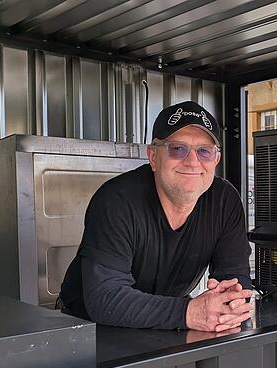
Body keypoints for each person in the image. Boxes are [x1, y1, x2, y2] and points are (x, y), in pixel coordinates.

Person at [58, 100, 253, 332]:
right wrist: (189, 312)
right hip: (87, 329)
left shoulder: (224, 200)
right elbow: (105, 297)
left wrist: (232, 302)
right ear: (153, 157)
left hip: (166, 324)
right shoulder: (117, 200)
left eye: (204, 151)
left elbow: (235, 277)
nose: (192, 162)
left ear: (216, 161)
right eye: (177, 149)